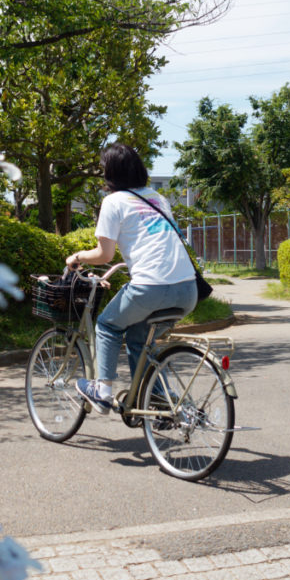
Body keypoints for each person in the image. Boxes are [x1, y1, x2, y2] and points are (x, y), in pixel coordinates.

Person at [65, 143, 197, 414]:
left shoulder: (113, 202)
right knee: (139, 340)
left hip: (151, 288)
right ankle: (160, 402)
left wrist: (77, 257)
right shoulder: (156, 198)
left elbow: (105, 255)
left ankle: (101, 391)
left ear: (111, 172)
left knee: (107, 326)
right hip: (188, 290)